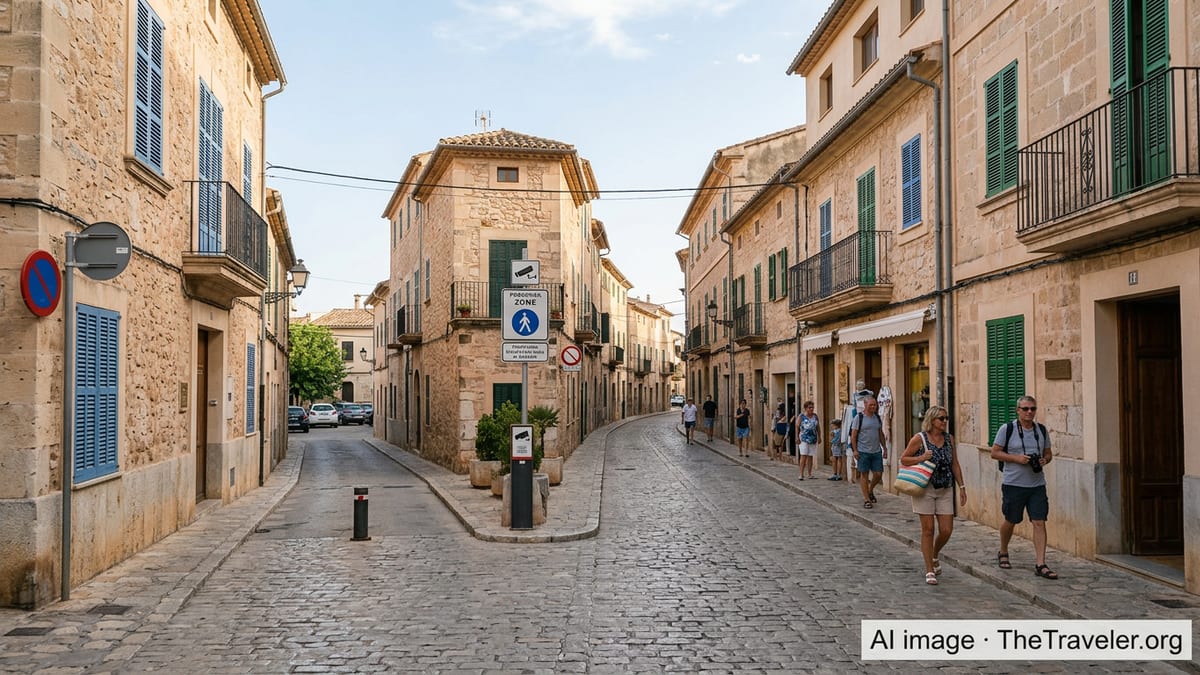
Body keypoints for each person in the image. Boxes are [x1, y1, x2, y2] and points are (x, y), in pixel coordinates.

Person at [991, 395, 1057, 579]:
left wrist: (1045, 460)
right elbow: (994, 453)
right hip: (1013, 484)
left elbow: (1049, 454)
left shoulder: (1041, 430)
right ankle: (1003, 550)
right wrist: (1016, 458)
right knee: (1011, 520)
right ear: (1018, 410)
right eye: (1026, 409)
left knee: (1039, 521)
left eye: (1033, 409)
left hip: (1037, 484)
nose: (1029, 412)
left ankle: (1040, 563)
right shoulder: (1008, 429)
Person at [900, 406, 966, 585]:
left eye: (946, 418)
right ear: (932, 420)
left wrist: (962, 486)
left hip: (945, 488)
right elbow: (904, 459)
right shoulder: (920, 439)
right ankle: (929, 569)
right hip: (925, 488)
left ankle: (935, 554)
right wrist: (921, 458)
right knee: (928, 530)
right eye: (941, 419)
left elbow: (955, 464)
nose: (945, 422)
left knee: (946, 530)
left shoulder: (948, 439)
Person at [850, 395, 887, 509]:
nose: (873, 407)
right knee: (864, 475)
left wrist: (884, 448)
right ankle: (866, 499)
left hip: (876, 451)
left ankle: (870, 490)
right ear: (865, 405)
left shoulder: (877, 417)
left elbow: (880, 433)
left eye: (875, 405)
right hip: (863, 451)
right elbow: (853, 435)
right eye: (871, 405)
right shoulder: (859, 418)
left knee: (878, 474)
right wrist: (855, 450)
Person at [795, 400, 820, 479]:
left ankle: (809, 474)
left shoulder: (815, 416)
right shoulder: (801, 416)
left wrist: (820, 436)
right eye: (810, 407)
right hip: (804, 439)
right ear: (805, 408)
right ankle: (801, 474)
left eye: (812, 407)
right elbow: (797, 427)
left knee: (810, 456)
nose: (811, 409)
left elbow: (818, 427)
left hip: (813, 438)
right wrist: (796, 437)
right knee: (803, 455)